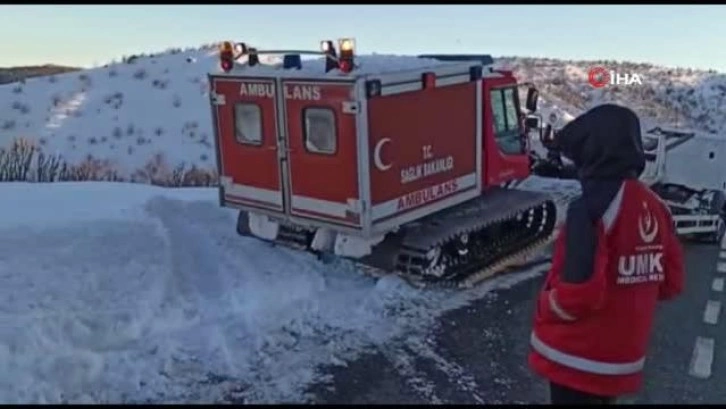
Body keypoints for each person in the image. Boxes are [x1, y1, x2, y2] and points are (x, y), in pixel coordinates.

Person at [528, 104, 685, 404]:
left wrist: (546, 304)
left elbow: (577, 297)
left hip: (573, 359)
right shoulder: (657, 208)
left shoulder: (588, 208)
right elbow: (671, 284)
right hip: (619, 363)